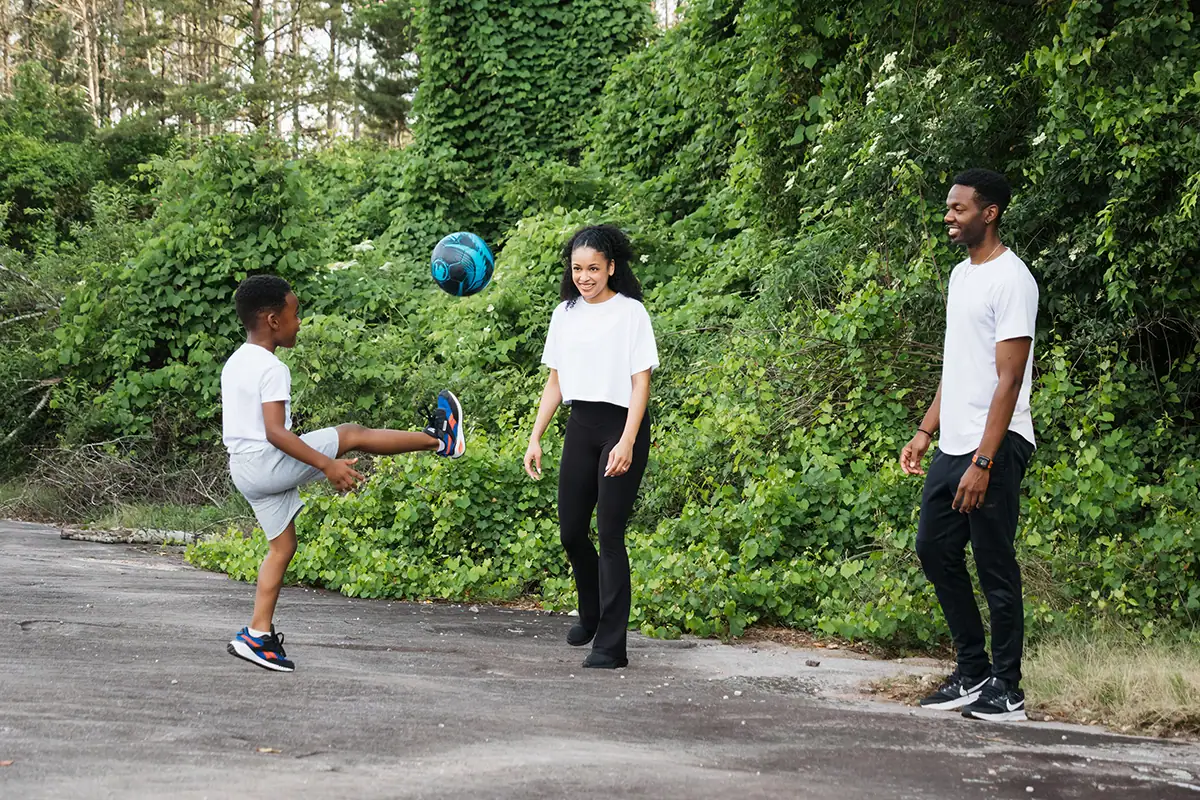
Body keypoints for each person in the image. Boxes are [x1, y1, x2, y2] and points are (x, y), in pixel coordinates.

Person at [221, 274, 465, 672]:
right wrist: (326, 464)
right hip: (266, 461)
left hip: (243, 468)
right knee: (351, 434)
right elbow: (275, 432)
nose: (299, 321)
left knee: (282, 549)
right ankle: (441, 440)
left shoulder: (236, 361)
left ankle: (256, 634)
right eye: (294, 313)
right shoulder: (271, 367)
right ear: (272, 320)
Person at [900, 168, 1039, 721]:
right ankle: (973, 670)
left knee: (994, 562)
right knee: (934, 548)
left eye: (959, 208)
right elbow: (957, 366)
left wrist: (984, 459)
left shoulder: (1013, 279)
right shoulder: (962, 276)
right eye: (948, 208)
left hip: (996, 446)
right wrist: (926, 429)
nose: (949, 217)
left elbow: (1009, 378)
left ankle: (1008, 689)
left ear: (990, 212)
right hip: (954, 441)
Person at [524, 225, 659, 670]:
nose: (585, 276)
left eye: (594, 269)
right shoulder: (565, 313)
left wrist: (628, 440)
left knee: (610, 533)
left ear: (611, 268)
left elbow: (642, 382)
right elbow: (556, 379)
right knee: (570, 532)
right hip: (580, 426)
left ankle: (611, 646)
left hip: (622, 425)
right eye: (578, 268)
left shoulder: (631, 313)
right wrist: (536, 435)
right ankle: (590, 612)